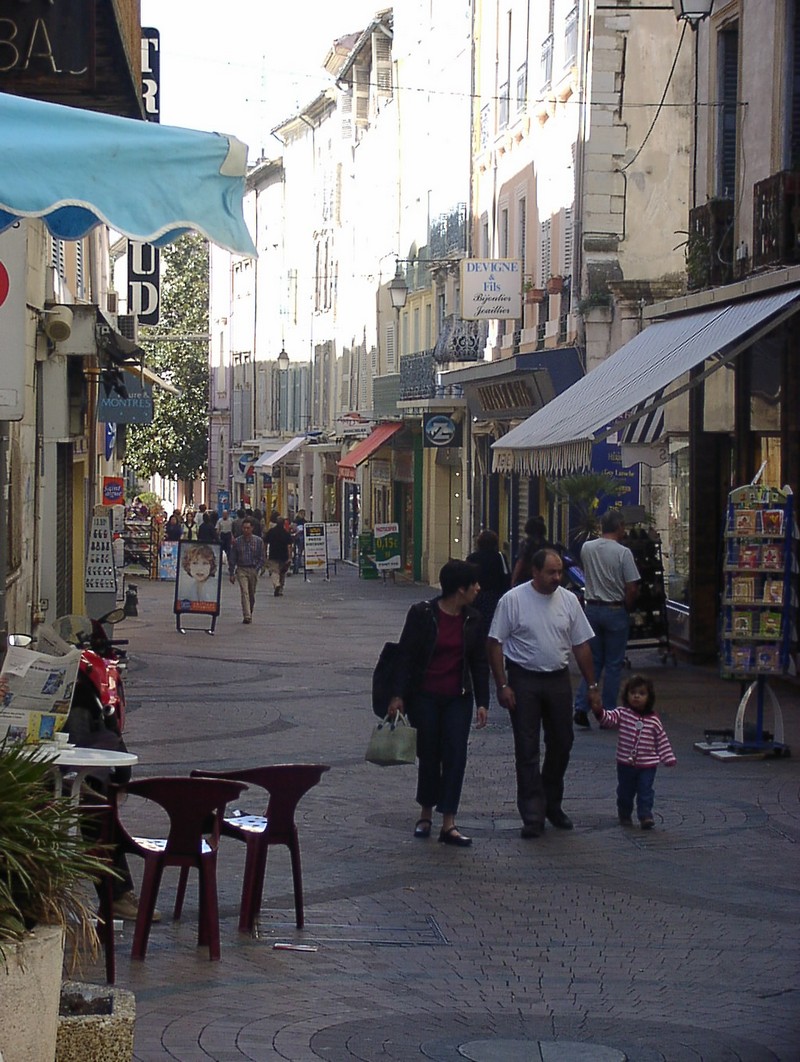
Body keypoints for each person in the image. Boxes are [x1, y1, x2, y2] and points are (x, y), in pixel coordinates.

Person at [487, 548, 601, 838]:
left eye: (560, 572)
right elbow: (495, 643)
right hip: (524, 679)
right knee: (527, 748)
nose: (557, 578)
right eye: (551, 572)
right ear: (534, 572)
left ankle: (552, 801)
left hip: (557, 678)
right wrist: (502, 684)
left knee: (562, 741)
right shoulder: (513, 600)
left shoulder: (569, 601)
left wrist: (592, 685)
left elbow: (581, 645)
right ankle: (533, 813)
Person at [387, 560, 489, 847]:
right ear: (460, 588)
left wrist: (483, 701)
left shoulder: (474, 619)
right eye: (474, 584)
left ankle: (449, 822)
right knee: (429, 755)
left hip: (459, 698)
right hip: (425, 696)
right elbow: (405, 656)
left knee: (455, 756)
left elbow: (479, 663)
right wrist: (398, 696)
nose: (478, 589)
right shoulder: (423, 614)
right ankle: (425, 814)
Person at [572, 510, 640, 730]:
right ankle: (609, 712)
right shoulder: (623, 553)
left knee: (593, 661)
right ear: (619, 526)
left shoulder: (587, 548)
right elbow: (631, 586)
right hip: (614, 608)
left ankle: (581, 706)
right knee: (613, 663)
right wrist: (628, 606)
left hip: (591, 609)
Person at [591, 674, 676, 829]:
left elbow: (661, 739)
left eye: (642, 693)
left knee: (645, 790)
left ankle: (645, 815)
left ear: (649, 697)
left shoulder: (654, 720)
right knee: (625, 791)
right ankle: (624, 813)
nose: (636, 696)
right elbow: (608, 720)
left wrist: (667, 757)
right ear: (627, 695)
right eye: (633, 693)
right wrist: (599, 712)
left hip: (648, 765)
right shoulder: (623, 713)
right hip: (625, 763)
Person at [466, 529, 510, 632]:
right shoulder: (500, 557)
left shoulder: (472, 558)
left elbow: (467, 576)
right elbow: (506, 576)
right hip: (495, 596)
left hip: (477, 596)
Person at [229, 518, 265, 623]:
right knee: (244, 592)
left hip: (253, 569)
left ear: (252, 528)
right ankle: (247, 615)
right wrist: (232, 572)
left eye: (248, 528)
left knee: (251, 594)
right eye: (244, 528)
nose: (245, 530)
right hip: (241, 569)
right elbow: (232, 557)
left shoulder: (258, 541)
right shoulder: (237, 541)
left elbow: (262, 557)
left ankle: (250, 610)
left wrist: (257, 569)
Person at [511, 516, 552, 587]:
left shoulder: (525, 544)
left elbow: (520, 562)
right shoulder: (547, 545)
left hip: (526, 578)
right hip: (542, 577)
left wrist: (513, 580)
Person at [264, 515, 293, 596]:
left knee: (274, 571)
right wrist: (290, 557)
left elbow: (265, 543)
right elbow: (289, 546)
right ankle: (280, 590)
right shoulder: (286, 533)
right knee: (282, 573)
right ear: (284, 523)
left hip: (273, 554)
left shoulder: (271, 532)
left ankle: (276, 584)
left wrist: (265, 553)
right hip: (284, 555)